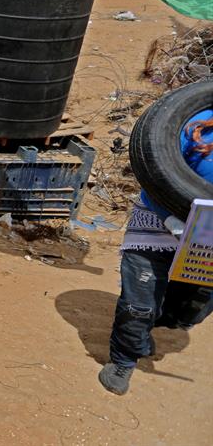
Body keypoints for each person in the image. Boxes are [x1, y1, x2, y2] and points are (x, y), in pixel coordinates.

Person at [99, 110, 213, 395]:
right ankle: (123, 360)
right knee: (139, 306)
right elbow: (155, 172)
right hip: (158, 224)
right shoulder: (193, 125)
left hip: (207, 237)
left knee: (190, 313)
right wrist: (170, 217)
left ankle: (154, 320)